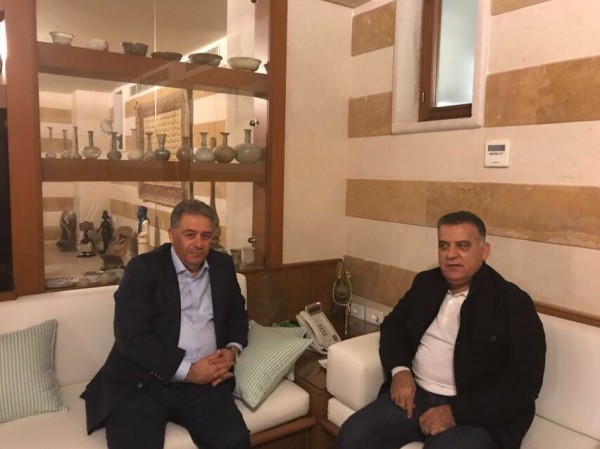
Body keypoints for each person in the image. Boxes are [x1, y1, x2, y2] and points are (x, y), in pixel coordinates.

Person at [337, 211, 546, 449]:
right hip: (417, 396)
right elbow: (393, 326)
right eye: (444, 245)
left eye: (462, 246)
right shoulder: (426, 283)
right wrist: (400, 371)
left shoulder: (513, 303)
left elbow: (525, 382)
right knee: (352, 436)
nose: (451, 254)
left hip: (475, 413)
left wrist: (454, 412)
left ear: (484, 251)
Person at [82, 199, 250, 449]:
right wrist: (188, 371)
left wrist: (232, 349)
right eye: (190, 235)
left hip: (205, 384)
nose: (199, 244)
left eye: (205, 236)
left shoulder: (222, 265)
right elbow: (131, 336)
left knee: (235, 441)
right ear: (172, 235)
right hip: (144, 382)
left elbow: (237, 312)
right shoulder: (143, 269)